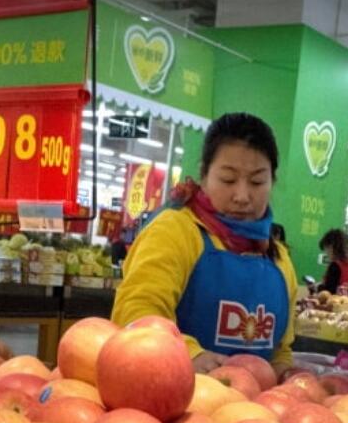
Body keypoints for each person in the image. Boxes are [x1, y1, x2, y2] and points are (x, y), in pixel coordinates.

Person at [111, 112, 297, 374]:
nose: (242, 196)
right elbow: (136, 312)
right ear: (204, 175)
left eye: (257, 181)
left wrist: (287, 378)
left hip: (252, 409)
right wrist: (189, 354)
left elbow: (281, 349)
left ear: (272, 181)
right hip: (169, 400)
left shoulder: (278, 259)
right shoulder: (175, 232)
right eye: (228, 180)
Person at [318, 228, 348, 294]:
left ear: (331, 247)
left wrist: (317, 288)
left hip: (338, 302)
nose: (326, 253)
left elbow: (328, 292)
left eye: (326, 249)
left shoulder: (335, 265)